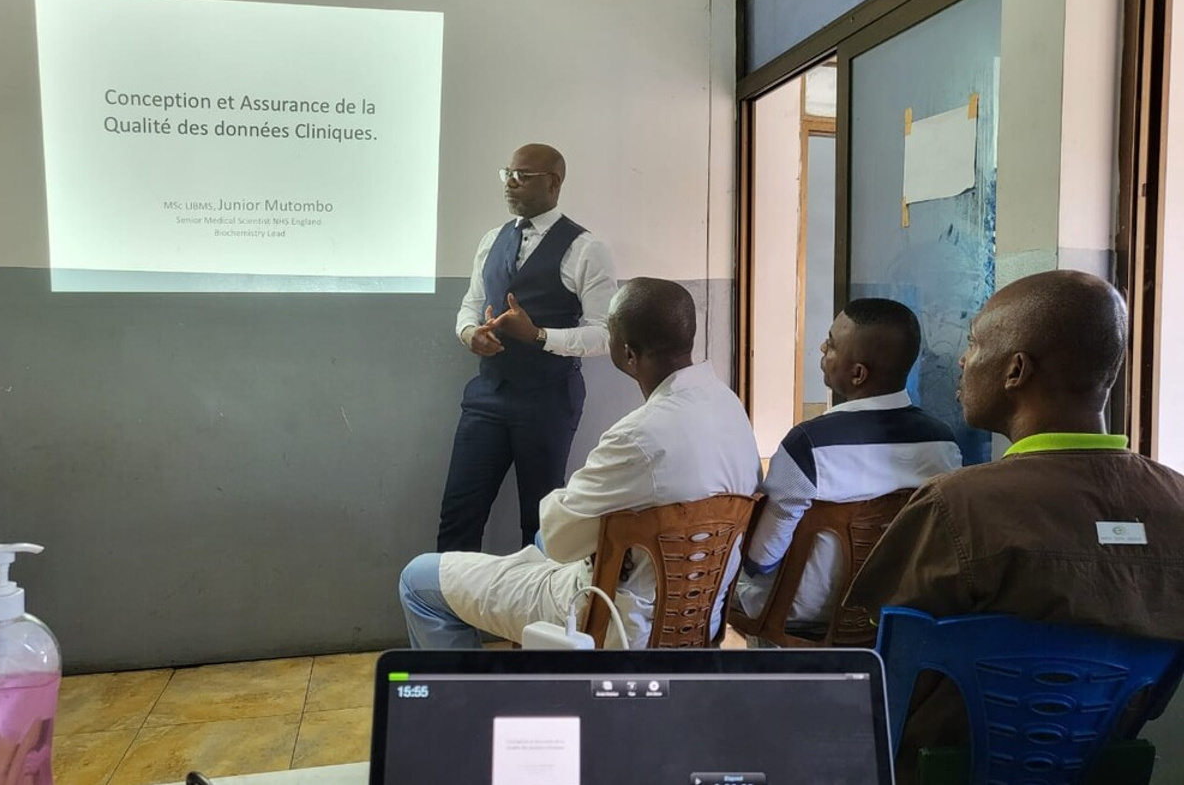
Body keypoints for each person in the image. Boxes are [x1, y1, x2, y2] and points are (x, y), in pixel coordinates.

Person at [845, 270, 1184, 781]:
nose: (962, 360)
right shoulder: (1177, 505)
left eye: (976, 343)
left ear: (1016, 370)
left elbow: (875, 667)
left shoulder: (956, 506)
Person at [400, 277, 761, 648]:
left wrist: (565, 508)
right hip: (697, 615)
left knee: (419, 580)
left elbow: (558, 540)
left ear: (628, 354)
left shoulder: (637, 437)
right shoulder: (730, 406)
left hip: (606, 619)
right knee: (540, 543)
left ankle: (462, 703)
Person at [734, 299, 962, 633]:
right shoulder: (944, 444)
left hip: (802, 620)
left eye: (832, 345)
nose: (823, 348)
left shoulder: (807, 446)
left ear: (858, 374)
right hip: (895, 619)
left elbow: (761, 559)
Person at [437, 143, 617, 552]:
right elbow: (470, 303)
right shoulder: (492, 239)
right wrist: (470, 334)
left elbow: (606, 333)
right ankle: (448, 613)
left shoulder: (587, 249)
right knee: (459, 512)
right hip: (488, 394)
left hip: (548, 400)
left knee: (538, 522)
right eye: (508, 173)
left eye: (524, 175)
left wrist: (538, 336)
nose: (511, 183)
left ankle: (531, 614)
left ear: (553, 183)